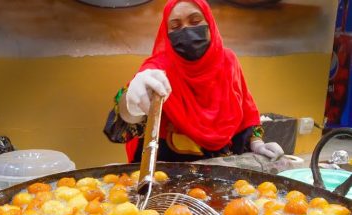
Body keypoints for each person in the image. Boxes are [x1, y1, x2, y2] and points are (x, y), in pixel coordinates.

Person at [104, 0, 284, 163]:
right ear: (166, 33)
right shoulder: (157, 68)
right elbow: (127, 120)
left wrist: (258, 143)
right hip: (169, 175)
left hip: (222, 170)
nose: (186, 30)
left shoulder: (228, 61)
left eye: (195, 21)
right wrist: (131, 104)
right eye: (175, 26)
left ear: (210, 23)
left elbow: (246, 108)